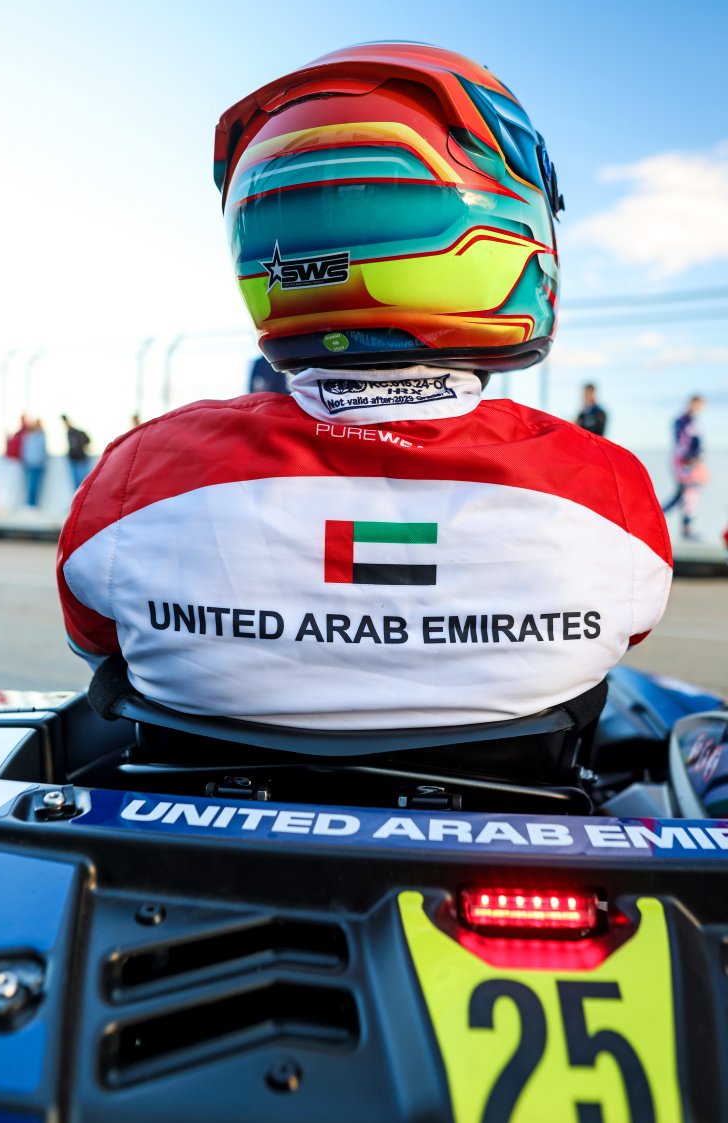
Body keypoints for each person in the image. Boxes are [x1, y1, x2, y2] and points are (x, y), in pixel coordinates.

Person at [57, 43, 671, 734]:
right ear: (506, 227)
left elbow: (99, 644)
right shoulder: (604, 487)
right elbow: (621, 638)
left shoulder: (138, 475)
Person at [663, 394, 708, 540]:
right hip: (685, 463)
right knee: (686, 494)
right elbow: (682, 444)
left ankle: (684, 529)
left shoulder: (693, 421)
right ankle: (656, 519)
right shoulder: (682, 421)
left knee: (685, 495)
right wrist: (688, 459)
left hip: (690, 462)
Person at [21, 418, 47, 509]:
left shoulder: (42, 436)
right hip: (30, 464)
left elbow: (43, 450)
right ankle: (30, 504)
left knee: (36, 486)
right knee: (30, 485)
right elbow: (26, 450)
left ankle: (33, 505)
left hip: (38, 464)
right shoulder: (30, 436)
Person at [61, 414, 91, 491]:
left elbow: (88, 441)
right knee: (77, 485)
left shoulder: (76, 432)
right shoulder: (69, 433)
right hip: (74, 460)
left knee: (83, 483)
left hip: (81, 460)